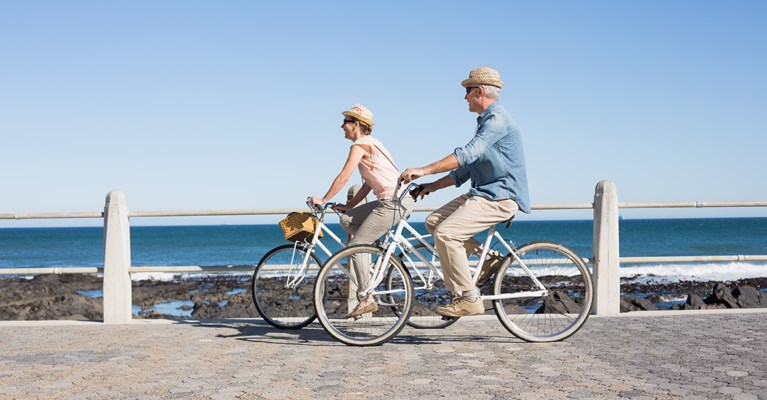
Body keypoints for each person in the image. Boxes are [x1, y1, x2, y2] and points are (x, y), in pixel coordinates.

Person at [399, 67, 530, 317]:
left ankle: (469, 298)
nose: (465, 97)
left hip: (500, 196)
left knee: (447, 235)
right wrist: (431, 187)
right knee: (434, 222)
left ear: (480, 91)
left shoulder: (497, 120)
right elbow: (468, 169)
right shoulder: (486, 121)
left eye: (467, 91)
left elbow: (466, 154)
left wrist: (424, 170)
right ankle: (488, 260)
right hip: (483, 193)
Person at [310, 104, 412, 318]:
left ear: (356, 124)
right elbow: (367, 185)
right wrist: (349, 206)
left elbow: (344, 176)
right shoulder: (374, 144)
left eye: (345, 122)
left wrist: (324, 199)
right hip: (393, 199)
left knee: (355, 246)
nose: (342, 126)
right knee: (347, 220)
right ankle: (368, 252)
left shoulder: (360, 146)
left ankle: (367, 297)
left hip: (392, 203)